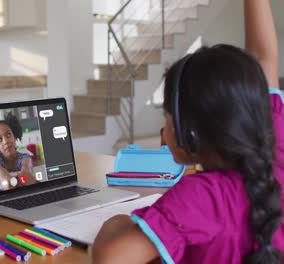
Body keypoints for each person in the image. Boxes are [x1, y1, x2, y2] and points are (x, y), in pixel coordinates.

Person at [92, 0, 284, 263]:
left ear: (189, 133)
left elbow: (111, 258)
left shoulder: (200, 197)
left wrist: (117, 221)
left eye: (167, 116)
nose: (163, 129)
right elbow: (263, 57)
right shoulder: (275, 136)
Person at [0, 112, 35, 189]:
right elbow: (0, 172)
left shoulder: (26, 158)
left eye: (8, 135)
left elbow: (28, 172)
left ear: (14, 136)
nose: (5, 141)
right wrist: (7, 179)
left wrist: (26, 174)